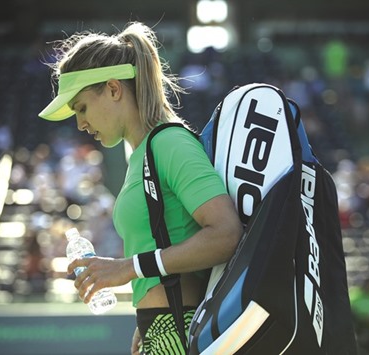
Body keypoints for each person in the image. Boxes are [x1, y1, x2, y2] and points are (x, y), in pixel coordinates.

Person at [38, 22, 242, 354]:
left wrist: (128, 269)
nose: (80, 124)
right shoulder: (143, 153)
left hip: (178, 327)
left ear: (114, 89)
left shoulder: (170, 143)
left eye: (82, 108)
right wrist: (147, 317)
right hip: (162, 326)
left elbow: (226, 234)